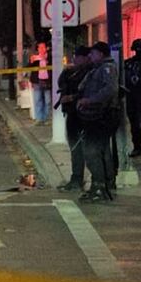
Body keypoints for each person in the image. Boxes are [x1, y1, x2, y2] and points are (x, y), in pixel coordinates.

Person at [77, 42, 121, 202]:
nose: (90, 56)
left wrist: (89, 100)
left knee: (91, 150)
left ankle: (99, 187)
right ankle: (105, 185)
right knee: (102, 150)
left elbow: (110, 90)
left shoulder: (107, 68)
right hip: (97, 115)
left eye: (93, 53)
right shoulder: (98, 68)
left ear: (101, 54)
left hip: (103, 116)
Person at [56, 46, 92, 191]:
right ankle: (77, 178)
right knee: (75, 147)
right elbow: (61, 82)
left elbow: (88, 91)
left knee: (82, 148)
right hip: (72, 113)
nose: (74, 59)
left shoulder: (90, 72)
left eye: (77, 56)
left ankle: (81, 180)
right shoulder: (71, 72)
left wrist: (72, 97)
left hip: (84, 114)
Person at [28, 41, 51, 124]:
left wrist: (46, 60)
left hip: (47, 81)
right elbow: (29, 67)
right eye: (40, 47)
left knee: (47, 101)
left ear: (46, 48)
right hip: (37, 81)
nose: (41, 49)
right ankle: (39, 119)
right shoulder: (35, 58)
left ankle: (45, 118)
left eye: (43, 47)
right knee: (38, 100)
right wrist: (31, 61)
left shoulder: (49, 57)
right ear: (37, 49)